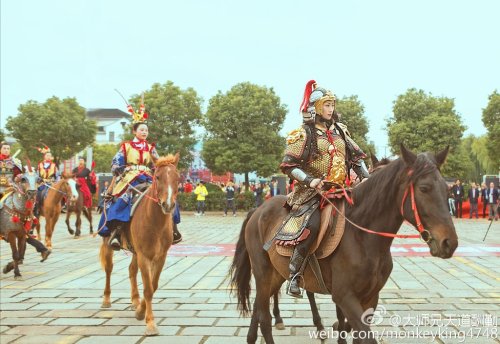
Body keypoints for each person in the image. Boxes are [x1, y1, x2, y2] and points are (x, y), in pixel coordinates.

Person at [279, 80, 369, 297]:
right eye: (327, 105)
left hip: (341, 189)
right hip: (312, 191)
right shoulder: (304, 134)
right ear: (317, 107)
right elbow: (288, 165)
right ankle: (295, 274)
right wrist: (310, 180)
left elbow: (356, 158)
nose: (331, 109)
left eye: (332, 105)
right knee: (313, 224)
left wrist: (367, 178)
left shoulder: (341, 131)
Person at [97, 99, 159, 250]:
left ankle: (172, 229)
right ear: (134, 131)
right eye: (141, 130)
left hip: (148, 176)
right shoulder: (126, 146)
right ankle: (117, 232)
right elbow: (115, 162)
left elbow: (157, 163)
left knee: (163, 195)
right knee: (123, 198)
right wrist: (117, 168)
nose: (144, 132)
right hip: (130, 176)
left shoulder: (151, 148)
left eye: (146, 130)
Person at [0, 141, 51, 262]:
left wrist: (19, 178)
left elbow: (22, 176)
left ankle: (28, 224)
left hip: (12, 190)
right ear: (0, 149)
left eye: (8, 148)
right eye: (4, 148)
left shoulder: (14, 162)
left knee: (26, 207)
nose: (6, 150)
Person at [34, 146, 59, 219]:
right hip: (42, 183)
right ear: (44, 156)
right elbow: (37, 175)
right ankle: (37, 208)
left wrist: (56, 182)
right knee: (37, 193)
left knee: (59, 193)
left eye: (50, 156)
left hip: (51, 183)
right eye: (47, 155)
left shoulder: (54, 166)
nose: (48, 157)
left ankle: (60, 207)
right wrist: (39, 180)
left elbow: (58, 175)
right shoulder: (40, 165)